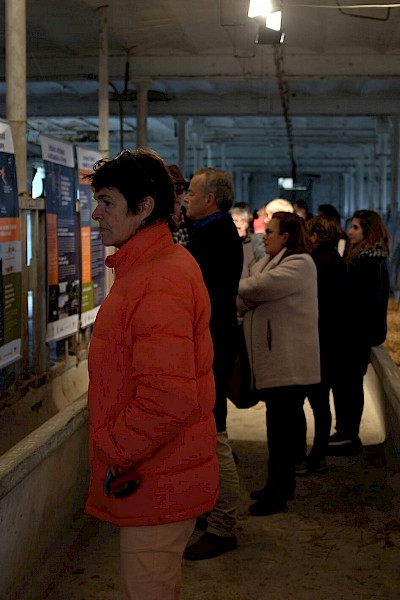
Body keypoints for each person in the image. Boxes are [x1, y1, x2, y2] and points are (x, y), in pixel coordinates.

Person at [85, 148, 218, 599]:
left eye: (106, 202)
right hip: (160, 471)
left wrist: (112, 446)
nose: (95, 214)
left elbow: (168, 399)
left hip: (157, 475)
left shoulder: (158, 278)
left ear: (144, 207)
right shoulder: (149, 268)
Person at [237, 212, 320, 516]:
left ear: (286, 236)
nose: (264, 237)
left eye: (270, 232)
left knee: (281, 432)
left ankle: (278, 492)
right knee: (278, 428)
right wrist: (248, 289)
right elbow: (249, 286)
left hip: (290, 364)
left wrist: (247, 288)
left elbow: (255, 287)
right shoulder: (272, 261)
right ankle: (279, 486)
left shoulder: (300, 264)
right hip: (277, 362)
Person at [182, 167, 243, 560]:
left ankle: (223, 525)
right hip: (212, 342)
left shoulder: (211, 236)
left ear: (210, 200)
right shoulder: (214, 233)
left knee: (214, 432)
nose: (185, 198)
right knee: (209, 429)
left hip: (210, 345)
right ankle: (213, 512)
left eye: (190, 192)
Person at [328, 209, 390, 454]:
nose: (350, 232)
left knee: (349, 384)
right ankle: (344, 431)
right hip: (356, 331)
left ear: (368, 231)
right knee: (346, 383)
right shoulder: (367, 257)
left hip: (357, 332)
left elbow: (360, 300)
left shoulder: (369, 260)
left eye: (355, 228)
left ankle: (348, 434)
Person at [294, 215, 349, 474]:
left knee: (313, 401)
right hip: (331, 340)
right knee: (320, 401)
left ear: (314, 236)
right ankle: (317, 454)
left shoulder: (317, 264)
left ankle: (314, 456)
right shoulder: (335, 260)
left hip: (319, 341)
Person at [231, 205, 265, 279]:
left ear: (247, 224)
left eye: (242, 222)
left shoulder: (255, 241)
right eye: (235, 221)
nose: (239, 226)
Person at [167, 164, 190, 245]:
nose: (174, 194)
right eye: (170, 188)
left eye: (179, 187)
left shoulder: (192, 221)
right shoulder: (156, 225)